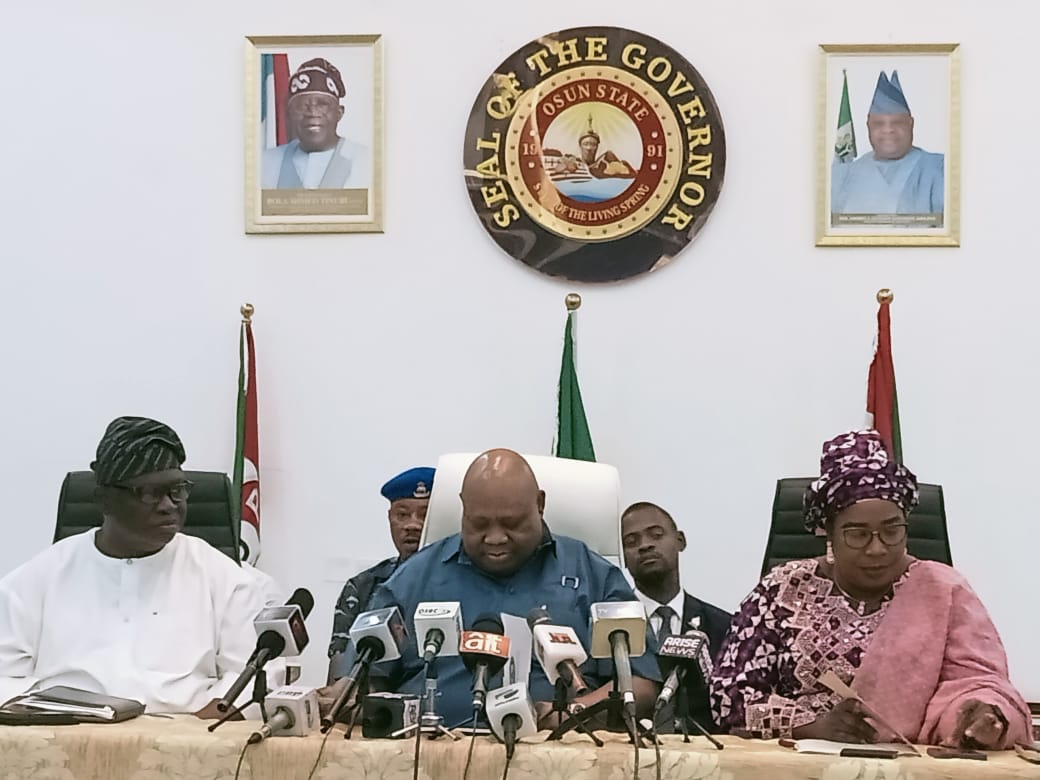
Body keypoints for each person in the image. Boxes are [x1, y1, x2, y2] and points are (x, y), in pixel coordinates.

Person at [710, 430, 1031, 749]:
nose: (877, 548)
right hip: (798, 760)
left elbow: (977, 683)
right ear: (829, 533)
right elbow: (729, 696)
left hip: (909, 763)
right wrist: (810, 726)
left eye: (892, 531)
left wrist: (978, 716)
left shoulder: (943, 590)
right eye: (858, 534)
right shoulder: (783, 589)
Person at [326, 449, 660, 729]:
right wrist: (347, 697)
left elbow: (641, 683)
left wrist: (568, 715)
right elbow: (362, 677)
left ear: (540, 504)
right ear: (463, 508)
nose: (495, 538)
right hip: (427, 755)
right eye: (479, 524)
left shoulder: (593, 574)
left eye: (512, 524)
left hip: (557, 755)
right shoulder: (413, 577)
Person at [0, 417, 271, 717]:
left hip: (187, 733)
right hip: (66, 732)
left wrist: (195, 730)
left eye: (177, 490)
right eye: (150, 492)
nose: (169, 505)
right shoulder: (37, 579)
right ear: (104, 501)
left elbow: (257, 674)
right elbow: (5, 678)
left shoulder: (226, 579)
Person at [621, 501, 731, 732]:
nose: (645, 545)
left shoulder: (723, 626)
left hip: (705, 748)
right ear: (624, 556)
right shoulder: (611, 627)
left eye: (656, 535)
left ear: (680, 540)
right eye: (631, 542)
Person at [327, 466, 434, 681]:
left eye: (425, 515)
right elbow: (339, 674)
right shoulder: (363, 586)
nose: (412, 525)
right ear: (390, 518)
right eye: (402, 515)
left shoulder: (460, 583)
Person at [831, 71, 944, 216]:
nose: (888, 130)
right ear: (868, 126)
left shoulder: (939, 168)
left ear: (911, 124)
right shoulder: (843, 176)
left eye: (897, 123)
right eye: (879, 123)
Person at [261, 58, 370, 190]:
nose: (312, 112)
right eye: (302, 105)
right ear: (289, 114)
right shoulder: (265, 163)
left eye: (322, 104)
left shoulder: (367, 162)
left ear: (339, 113)